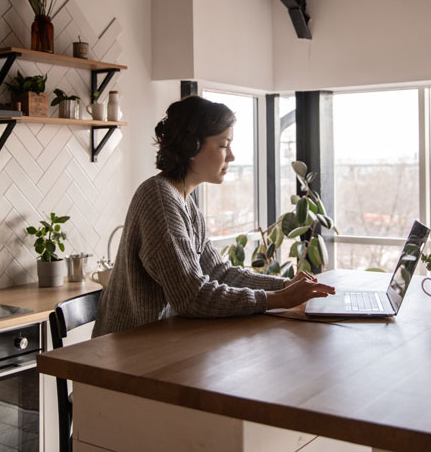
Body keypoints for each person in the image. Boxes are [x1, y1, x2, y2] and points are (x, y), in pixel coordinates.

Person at [92, 95, 335, 337]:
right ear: (191, 147)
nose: (231, 156)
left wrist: (283, 285)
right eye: (223, 145)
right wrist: (277, 298)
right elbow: (192, 296)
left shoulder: (185, 203)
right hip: (121, 357)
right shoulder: (160, 200)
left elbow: (219, 272)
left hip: (157, 344)